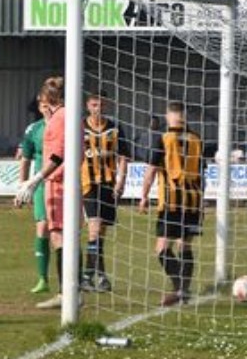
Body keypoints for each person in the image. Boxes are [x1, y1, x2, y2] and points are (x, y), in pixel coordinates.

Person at [14, 77, 80, 310]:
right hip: (61, 181)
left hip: (59, 182)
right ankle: (70, 292)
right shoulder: (62, 117)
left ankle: (68, 293)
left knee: (61, 236)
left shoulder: (60, 118)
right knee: (59, 236)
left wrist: (35, 179)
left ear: (47, 98)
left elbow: (58, 155)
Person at [139, 101, 204, 307]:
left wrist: (143, 195)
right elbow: (203, 173)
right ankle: (183, 291)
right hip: (193, 200)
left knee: (161, 248)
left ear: (168, 115)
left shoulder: (163, 138)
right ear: (184, 115)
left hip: (171, 201)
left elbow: (151, 170)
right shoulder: (196, 138)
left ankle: (179, 290)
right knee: (184, 245)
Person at [79, 93, 129, 294]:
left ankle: (94, 275)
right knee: (94, 228)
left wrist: (121, 181)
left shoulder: (115, 128)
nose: (97, 108)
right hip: (88, 184)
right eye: (93, 105)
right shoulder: (80, 127)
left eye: (100, 105)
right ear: (87, 106)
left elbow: (123, 157)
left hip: (109, 184)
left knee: (101, 233)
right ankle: (94, 276)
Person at [17, 99, 51, 294]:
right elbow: (26, 158)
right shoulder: (34, 130)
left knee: (65, 231)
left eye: (51, 105)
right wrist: (23, 186)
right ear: (39, 108)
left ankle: (74, 279)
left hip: (65, 183)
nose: (47, 109)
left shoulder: (68, 125)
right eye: (44, 106)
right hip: (40, 185)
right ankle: (42, 278)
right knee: (43, 226)